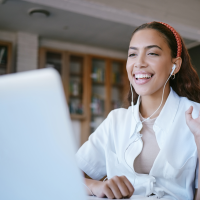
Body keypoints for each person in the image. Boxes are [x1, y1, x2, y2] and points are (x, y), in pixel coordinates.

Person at [76, 21, 200, 200]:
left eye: (152, 53)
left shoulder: (196, 116)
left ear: (175, 65)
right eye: (132, 54)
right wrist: (97, 186)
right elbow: (68, 174)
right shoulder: (116, 120)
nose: (139, 63)